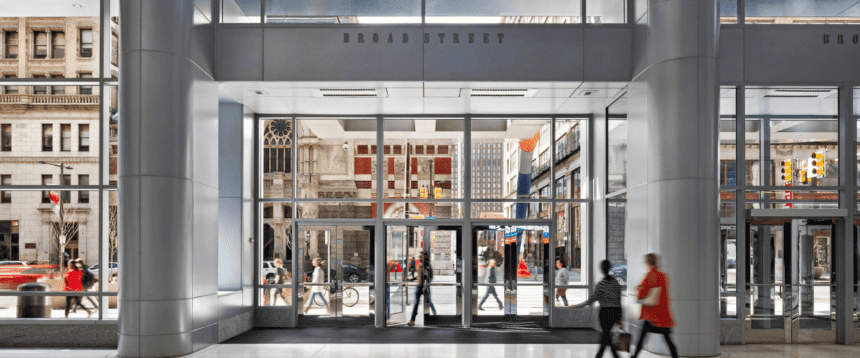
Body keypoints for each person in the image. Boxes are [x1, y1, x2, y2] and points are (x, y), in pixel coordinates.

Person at [570, 260, 622, 358]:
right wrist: (619, 318)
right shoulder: (616, 283)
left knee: (606, 336)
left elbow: (591, 300)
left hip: (605, 313)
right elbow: (619, 301)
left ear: (601, 269)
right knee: (606, 336)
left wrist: (576, 306)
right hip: (614, 312)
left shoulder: (601, 284)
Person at [631, 253, 678, 358]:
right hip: (663, 315)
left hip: (651, 315)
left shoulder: (650, 275)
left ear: (648, 262)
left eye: (645, 262)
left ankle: (634, 357)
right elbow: (665, 295)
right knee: (668, 340)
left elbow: (642, 292)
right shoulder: (663, 275)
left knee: (642, 339)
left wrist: (638, 289)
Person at [407, 251, 436, 326]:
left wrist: (427, 284)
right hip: (419, 287)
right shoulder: (419, 265)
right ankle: (412, 320)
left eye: (421, 256)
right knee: (416, 304)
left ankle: (436, 316)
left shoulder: (428, 266)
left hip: (425, 287)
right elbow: (418, 276)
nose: (419, 258)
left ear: (425, 257)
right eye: (419, 256)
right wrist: (411, 279)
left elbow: (431, 276)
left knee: (429, 303)